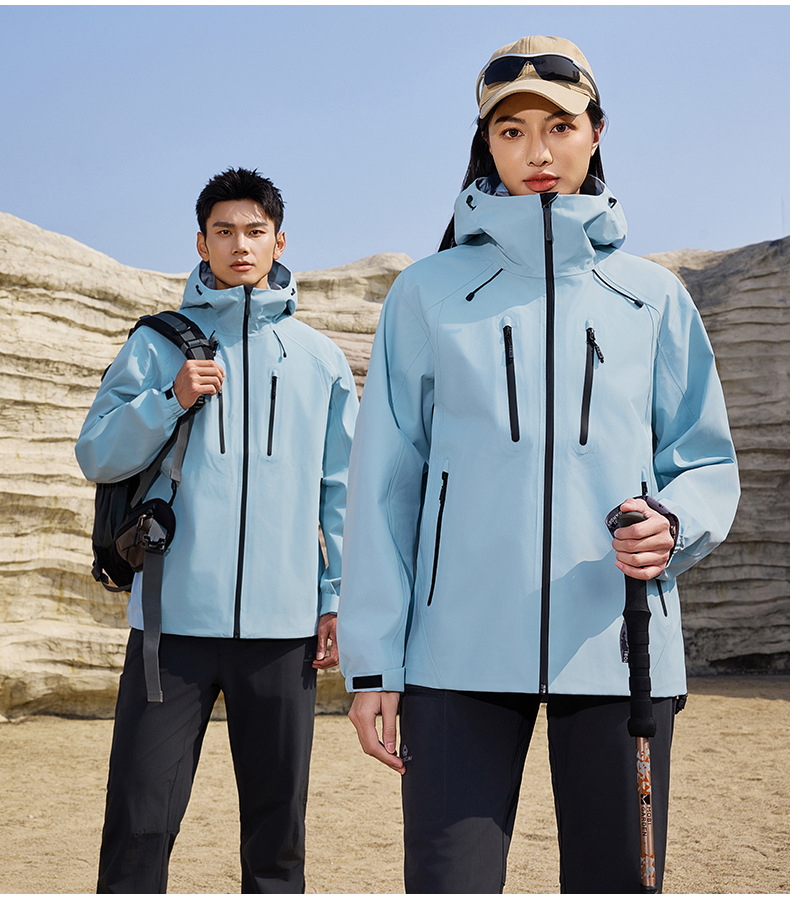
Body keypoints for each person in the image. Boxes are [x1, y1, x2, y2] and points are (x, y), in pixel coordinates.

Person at [337, 35, 739, 894]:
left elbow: (704, 458)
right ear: (486, 144)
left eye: (559, 126)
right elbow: (383, 487)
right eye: (511, 131)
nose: (537, 151)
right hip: (455, 653)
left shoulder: (653, 298)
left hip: (620, 643)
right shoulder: (427, 293)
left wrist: (674, 522)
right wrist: (374, 664)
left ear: (596, 132)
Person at [76, 167, 358, 893]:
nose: (240, 245)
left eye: (255, 231)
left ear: (279, 241)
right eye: (223, 231)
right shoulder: (157, 345)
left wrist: (335, 598)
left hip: (284, 632)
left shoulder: (320, 359)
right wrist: (169, 398)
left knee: (277, 836)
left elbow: (341, 495)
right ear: (201, 243)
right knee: (138, 823)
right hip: (170, 631)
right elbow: (96, 452)